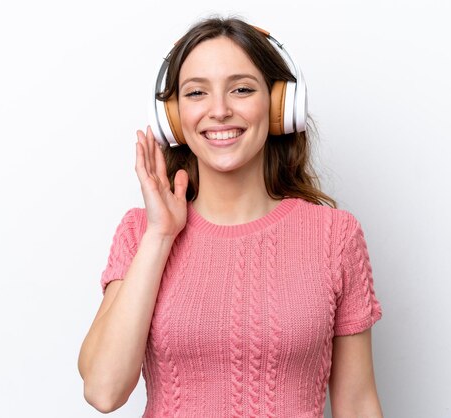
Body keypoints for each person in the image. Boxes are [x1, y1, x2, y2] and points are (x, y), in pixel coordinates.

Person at [78, 16, 383, 417]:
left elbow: (357, 403)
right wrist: (161, 234)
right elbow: (104, 390)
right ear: (172, 117)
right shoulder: (141, 233)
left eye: (241, 89)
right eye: (196, 93)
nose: (219, 111)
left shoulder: (335, 237)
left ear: (278, 106)